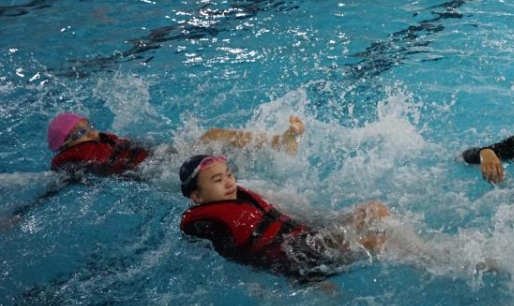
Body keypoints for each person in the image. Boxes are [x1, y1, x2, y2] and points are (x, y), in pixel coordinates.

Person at [179, 154, 391, 282]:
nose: (228, 182)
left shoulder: (241, 198)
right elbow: (244, 257)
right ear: (197, 196)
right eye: (217, 180)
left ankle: (420, 256)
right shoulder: (206, 225)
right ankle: (420, 260)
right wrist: (297, 276)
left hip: (303, 237)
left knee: (374, 211)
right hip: (296, 256)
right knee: (376, 240)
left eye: (229, 174)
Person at [46, 112, 305, 176]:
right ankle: (279, 142)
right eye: (80, 132)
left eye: (89, 125)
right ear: (66, 144)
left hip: (162, 159)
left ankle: (280, 142)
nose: (91, 133)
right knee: (214, 140)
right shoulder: (71, 162)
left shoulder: (106, 141)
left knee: (214, 138)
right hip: (159, 170)